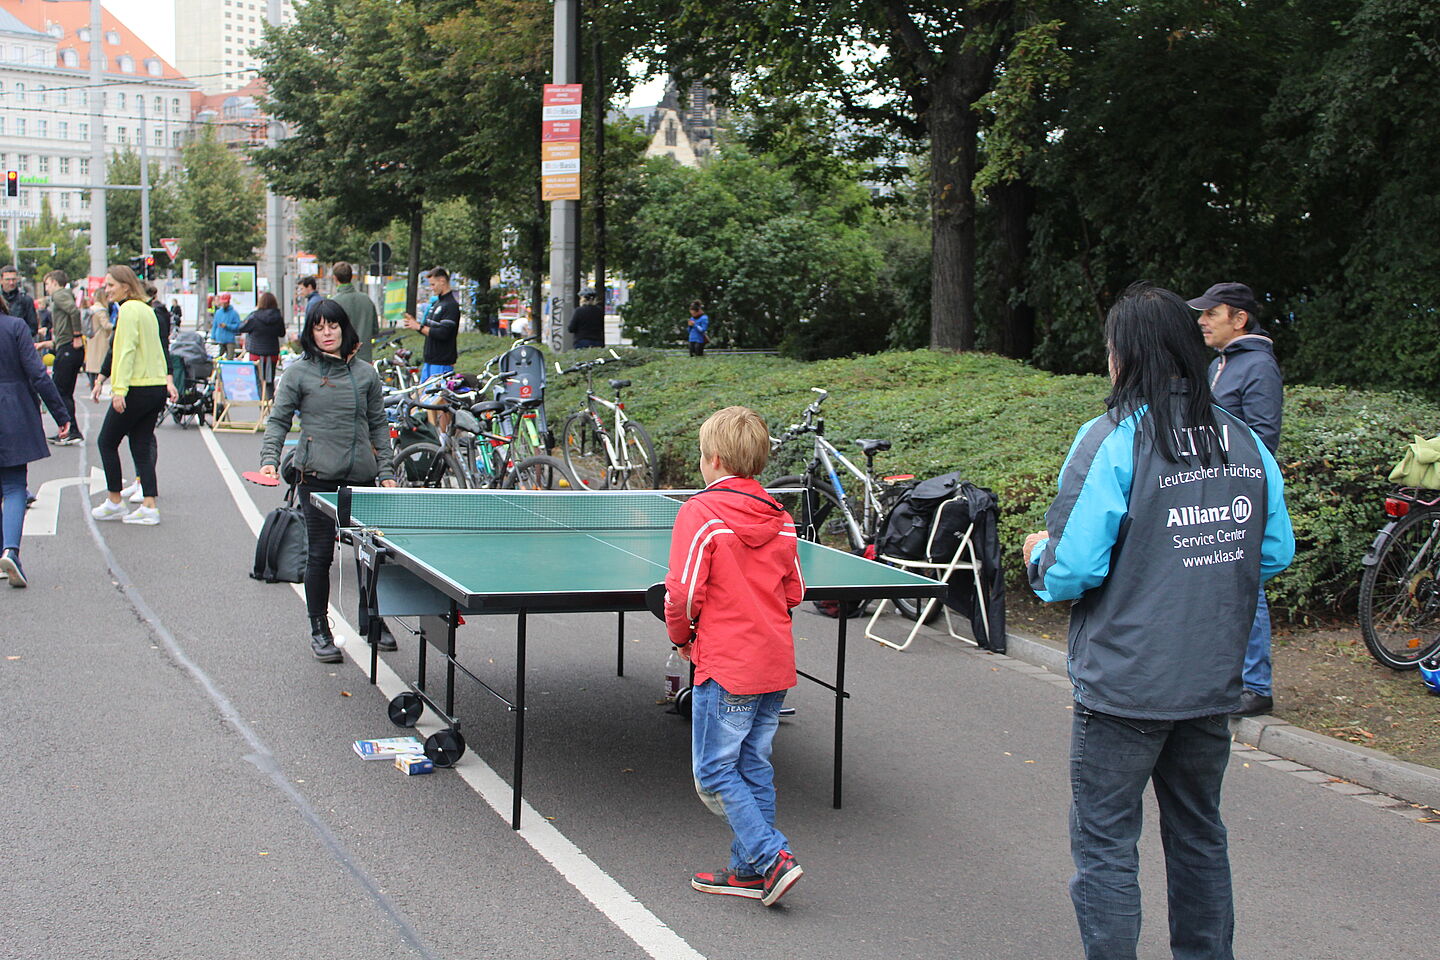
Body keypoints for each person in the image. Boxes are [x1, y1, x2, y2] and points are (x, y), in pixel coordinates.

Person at [1024, 283, 1294, 960]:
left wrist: (1035, 556)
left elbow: (1071, 570)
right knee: (1200, 833)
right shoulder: (1243, 441)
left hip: (1124, 685)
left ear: (1128, 355)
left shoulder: (1112, 437)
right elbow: (1274, 550)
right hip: (1209, 680)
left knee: (1108, 845)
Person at [664, 405, 805, 907]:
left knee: (715, 772)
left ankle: (771, 857)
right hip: (774, 663)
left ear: (714, 459)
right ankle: (748, 872)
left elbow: (681, 594)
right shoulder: (782, 520)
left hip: (726, 665)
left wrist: (682, 638)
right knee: (753, 766)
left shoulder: (699, 513)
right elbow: (793, 592)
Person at [259, 300, 397, 662]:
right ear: (310, 332)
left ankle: (373, 620)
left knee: (371, 556)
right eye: (318, 327)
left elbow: (379, 424)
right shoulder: (298, 373)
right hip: (316, 477)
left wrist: (386, 472)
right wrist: (269, 461)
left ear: (343, 328)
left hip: (361, 478)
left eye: (332, 326)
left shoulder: (366, 373)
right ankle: (319, 628)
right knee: (319, 556)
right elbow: (278, 420)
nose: (326, 333)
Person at [1187, 281, 1284, 718]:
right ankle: (1225, 678)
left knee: (1247, 585)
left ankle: (1256, 686)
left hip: (1239, 498)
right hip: (1212, 494)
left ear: (1238, 318)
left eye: (1212, 313)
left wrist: (1230, 482)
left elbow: (1263, 439)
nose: (1202, 321)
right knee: (1218, 584)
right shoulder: (1220, 364)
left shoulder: (1258, 366)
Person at [90, 265, 170, 527]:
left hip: (135, 386)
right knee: (140, 443)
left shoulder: (127, 310)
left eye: (111, 284)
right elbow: (157, 349)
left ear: (126, 286)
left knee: (106, 441)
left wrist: (118, 389)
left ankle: (114, 500)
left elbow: (125, 351)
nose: (107, 289)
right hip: (154, 386)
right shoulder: (148, 309)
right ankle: (149, 505)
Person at [0, 300, 73, 587]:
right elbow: (38, 373)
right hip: (13, 411)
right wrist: (60, 413)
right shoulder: (15, 327)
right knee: (15, 486)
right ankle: (10, 552)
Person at [40, 271, 85, 445]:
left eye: (47, 284)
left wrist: (76, 335)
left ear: (53, 282)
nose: (47, 288)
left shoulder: (59, 295)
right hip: (65, 346)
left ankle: (70, 430)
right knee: (65, 391)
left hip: (67, 349)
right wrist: (46, 344)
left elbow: (74, 312)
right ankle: (70, 429)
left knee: (60, 392)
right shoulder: (65, 295)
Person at [402, 267, 460, 382]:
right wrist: (415, 324)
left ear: (442, 281)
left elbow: (443, 334)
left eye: (433, 285)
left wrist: (419, 327)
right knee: (423, 397)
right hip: (429, 361)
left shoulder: (451, 305)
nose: (431, 288)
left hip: (442, 362)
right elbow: (428, 330)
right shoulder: (436, 303)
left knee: (436, 398)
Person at [238, 291, 288, 398]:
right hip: (272, 353)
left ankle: (262, 407)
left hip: (256, 353)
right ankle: (270, 405)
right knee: (270, 381)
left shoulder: (254, 317)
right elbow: (282, 333)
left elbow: (241, 327)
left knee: (258, 381)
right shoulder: (278, 317)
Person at [330, 262, 378, 363]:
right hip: (365, 359)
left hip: (341, 360)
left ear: (335, 278)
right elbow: (375, 331)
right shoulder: (366, 300)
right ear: (351, 277)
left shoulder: (333, 303)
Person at [85, 288, 113, 388]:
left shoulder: (92, 309)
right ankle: (97, 385)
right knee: (100, 365)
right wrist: (115, 326)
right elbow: (106, 325)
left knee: (92, 365)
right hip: (100, 340)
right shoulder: (101, 310)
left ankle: (93, 384)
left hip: (91, 338)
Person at [0, 265, 38, 337]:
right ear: (1, 280)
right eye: (8, 280)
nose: (11, 283)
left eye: (13, 279)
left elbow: (33, 328)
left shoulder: (26, 300)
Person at [211, 293, 242, 359]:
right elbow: (215, 325)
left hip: (230, 340)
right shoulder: (218, 312)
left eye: (225, 303)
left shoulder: (234, 313)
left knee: (230, 358)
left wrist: (227, 326)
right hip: (219, 340)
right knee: (218, 358)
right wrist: (212, 337)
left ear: (228, 302)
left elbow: (238, 326)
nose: (223, 304)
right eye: (222, 303)